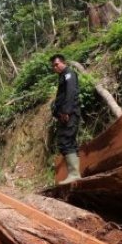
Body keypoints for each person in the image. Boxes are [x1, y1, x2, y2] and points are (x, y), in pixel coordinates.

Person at [50, 54, 82, 184]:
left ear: (64, 62)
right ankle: (74, 174)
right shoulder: (63, 76)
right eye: (53, 66)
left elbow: (71, 92)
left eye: (57, 64)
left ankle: (74, 174)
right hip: (65, 114)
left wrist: (66, 111)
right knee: (69, 141)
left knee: (66, 141)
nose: (55, 67)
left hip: (69, 114)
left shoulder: (69, 74)